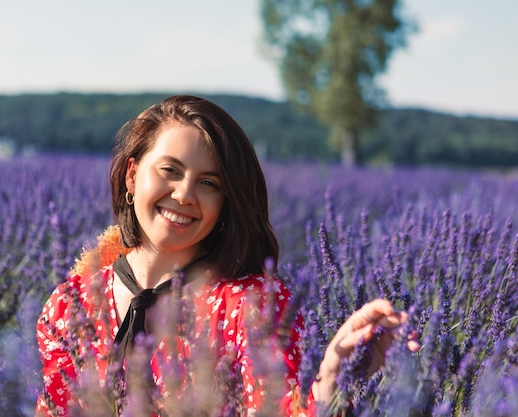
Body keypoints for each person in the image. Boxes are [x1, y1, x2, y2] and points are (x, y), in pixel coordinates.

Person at [35, 95, 420, 417]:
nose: (185, 194)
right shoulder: (71, 305)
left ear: (226, 202)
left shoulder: (252, 307)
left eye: (208, 183)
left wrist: (333, 380)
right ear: (132, 176)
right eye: (170, 169)